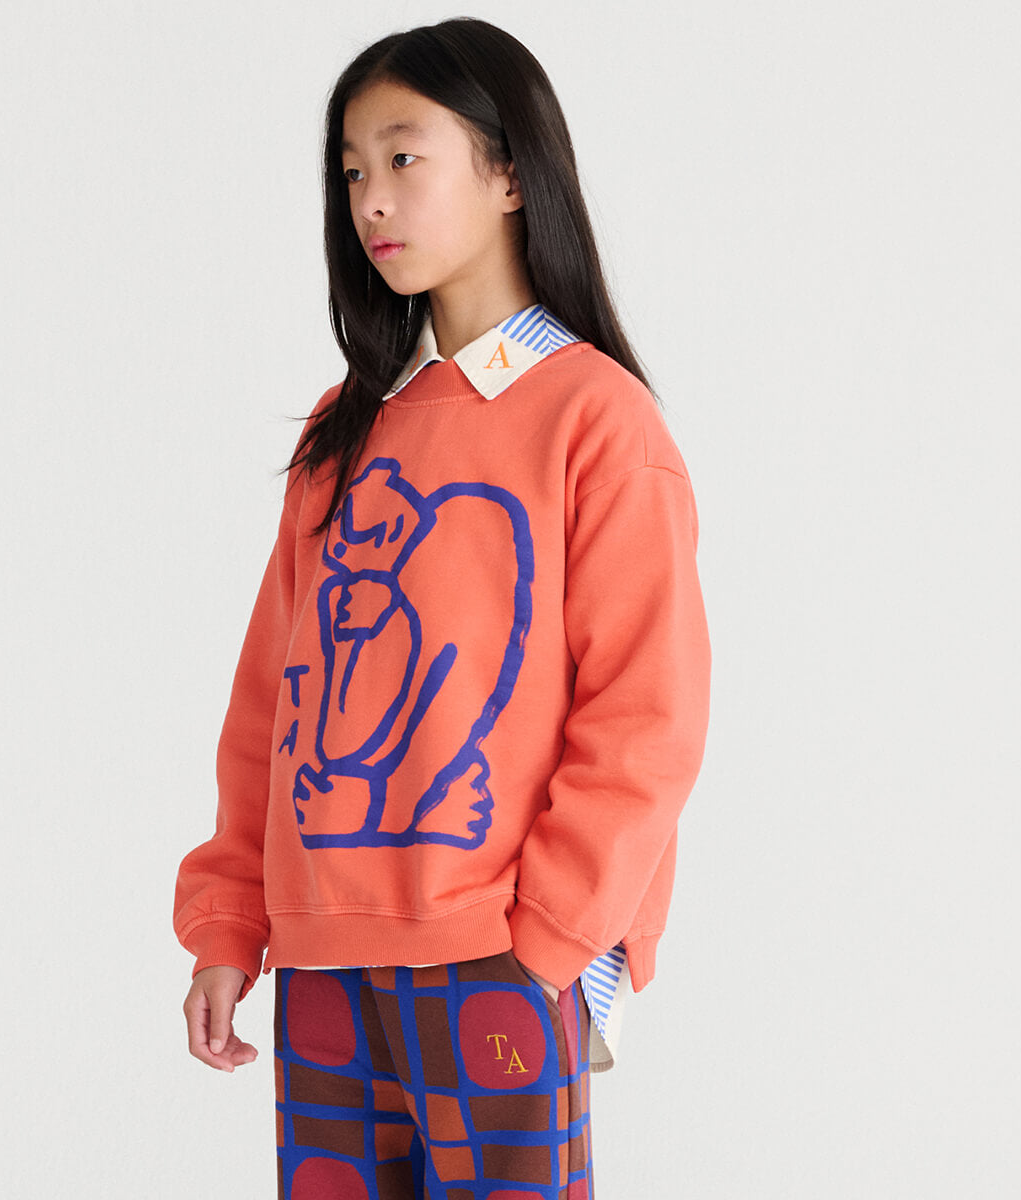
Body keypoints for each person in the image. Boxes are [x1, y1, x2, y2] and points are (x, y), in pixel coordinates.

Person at [174, 16, 711, 1199]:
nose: (371, 199)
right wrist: (229, 921)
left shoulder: (597, 420)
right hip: (324, 955)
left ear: (510, 172)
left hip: (498, 951)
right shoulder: (345, 430)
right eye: (351, 170)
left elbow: (646, 714)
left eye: (404, 157)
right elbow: (271, 701)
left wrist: (552, 938)